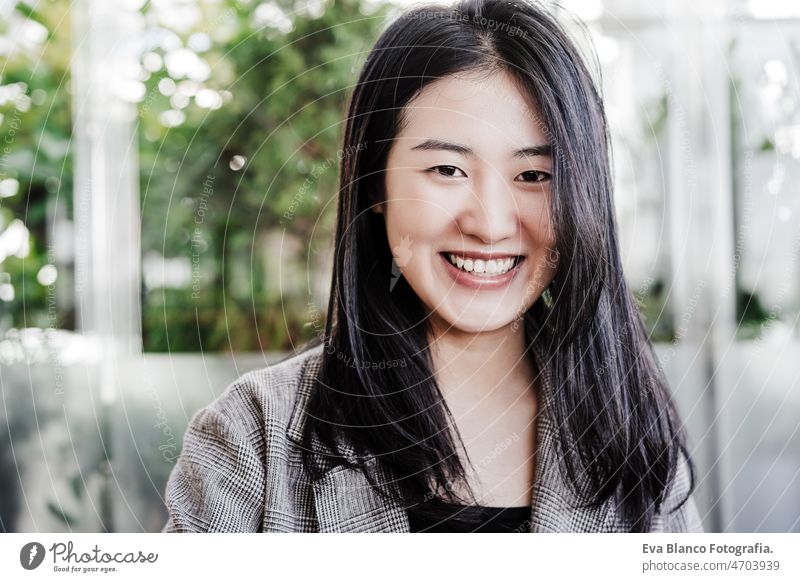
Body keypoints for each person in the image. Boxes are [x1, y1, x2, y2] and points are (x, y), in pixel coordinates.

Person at [162, 0, 704, 533]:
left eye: (534, 174)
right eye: (447, 169)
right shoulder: (251, 439)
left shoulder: (631, 435)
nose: (490, 224)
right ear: (376, 183)